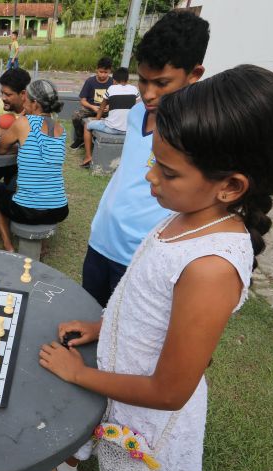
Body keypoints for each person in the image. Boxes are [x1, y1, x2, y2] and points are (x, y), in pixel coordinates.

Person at [43, 64, 273, 471]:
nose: (150, 177)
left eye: (167, 170)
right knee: (117, 466)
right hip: (125, 381)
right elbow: (147, 299)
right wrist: (104, 327)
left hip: (145, 409)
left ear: (231, 185)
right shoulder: (187, 213)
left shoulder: (211, 267)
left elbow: (169, 390)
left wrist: (79, 375)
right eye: (153, 162)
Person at [82, 10, 210, 307]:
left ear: (194, 74)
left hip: (139, 255)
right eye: (144, 81)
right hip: (102, 239)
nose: (149, 94)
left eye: (162, 83)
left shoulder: (198, 131)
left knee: (122, 338)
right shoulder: (139, 110)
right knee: (87, 318)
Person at [0, 79, 68, 252]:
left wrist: (19, 148)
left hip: (28, 209)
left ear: (35, 103)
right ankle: (43, 245)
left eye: (27, 97)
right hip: (60, 208)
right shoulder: (61, 130)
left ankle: (8, 244)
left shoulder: (23, 124)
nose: (23, 100)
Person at [81, 67, 140, 167]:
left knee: (87, 125)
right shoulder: (134, 89)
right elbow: (138, 108)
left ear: (114, 80)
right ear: (127, 80)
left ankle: (88, 156)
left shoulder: (111, 89)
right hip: (129, 129)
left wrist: (96, 119)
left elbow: (101, 108)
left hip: (111, 128)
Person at [0, 68, 30, 192]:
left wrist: (4, 132)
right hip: (2, 158)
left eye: (8, 94)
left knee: (12, 193)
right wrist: (13, 135)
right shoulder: (2, 103)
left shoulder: (34, 110)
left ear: (23, 94)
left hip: (23, 166)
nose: (3, 98)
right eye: (2, 93)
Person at [70, 56, 113, 149]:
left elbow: (116, 100)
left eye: (106, 72)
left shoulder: (113, 82)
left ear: (110, 71)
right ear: (96, 70)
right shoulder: (90, 81)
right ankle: (80, 138)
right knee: (76, 116)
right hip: (91, 109)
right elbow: (83, 101)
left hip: (106, 110)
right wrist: (92, 107)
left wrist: (109, 106)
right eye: (101, 72)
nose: (103, 75)